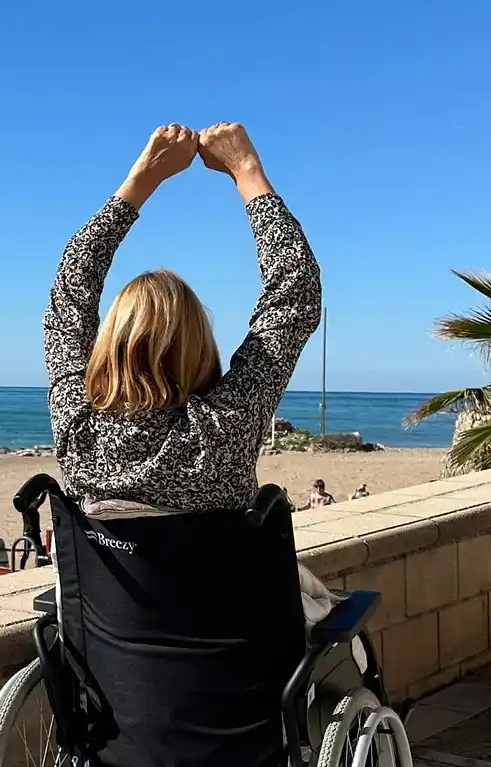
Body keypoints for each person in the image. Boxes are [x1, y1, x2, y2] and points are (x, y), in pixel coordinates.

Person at [45, 121, 341, 624]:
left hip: (117, 677)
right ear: (199, 347)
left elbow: (71, 289)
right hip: (231, 666)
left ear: (111, 344)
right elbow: (295, 294)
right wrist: (246, 172)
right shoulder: (223, 427)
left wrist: (142, 180)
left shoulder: (78, 427)